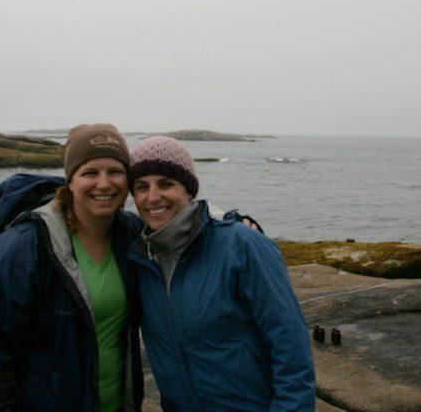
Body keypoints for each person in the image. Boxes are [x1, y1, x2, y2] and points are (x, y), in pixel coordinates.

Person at [0, 124, 144, 411]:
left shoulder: (130, 234)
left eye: (115, 171)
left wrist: (232, 224)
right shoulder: (22, 248)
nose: (104, 184)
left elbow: (180, 231)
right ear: (71, 180)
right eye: (90, 172)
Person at [126, 135, 316, 411]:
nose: (152, 197)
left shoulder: (242, 246)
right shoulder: (140, 258)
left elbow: (291, 348)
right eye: (141, 187)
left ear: (189, 190)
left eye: (166, 184)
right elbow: (88, 197)